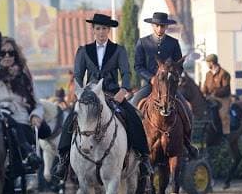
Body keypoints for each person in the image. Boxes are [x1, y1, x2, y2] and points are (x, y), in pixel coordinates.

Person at [54, 13, 152, 180]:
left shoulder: (119, 50)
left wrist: (124, 90)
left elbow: (126, 73)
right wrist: (80, 92)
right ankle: (63, 159)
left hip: (113, 93)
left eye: (104, 29)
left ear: (109, 30)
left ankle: (143, 159)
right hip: (90, 94)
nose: (101, 32)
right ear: (93, 30)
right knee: (71, 118)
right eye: (98, 28)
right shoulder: (83, 51)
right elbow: (78, 75)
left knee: (133, 117)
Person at [131, 12, 198, 157]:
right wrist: (151, 78)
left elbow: (180, 65)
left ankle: (187, 143)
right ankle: (131, 143)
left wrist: (173, 76)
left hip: (169, 86)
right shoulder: (143, 43)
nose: (160, 28)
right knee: (133, 104)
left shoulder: (173, 43)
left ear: (166, 27)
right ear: (153, 26)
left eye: (163, 26)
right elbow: (138, 66)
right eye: (157, 26)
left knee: (185, 107)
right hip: (150, 84)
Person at [0, 37, 48, 170]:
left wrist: (36, 116)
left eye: (11, 53)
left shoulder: (25, 76)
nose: (7, 56)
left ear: (16, 55)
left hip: (23, 121)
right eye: (2, 53)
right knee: (6, 122)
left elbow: (38, 104)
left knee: (12, 126)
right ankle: (28, 152)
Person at [201, 54, 232, 137]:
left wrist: (214, 93)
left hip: (223, 98)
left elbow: (226, 89)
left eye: (207, 63)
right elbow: (205, 86)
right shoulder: (208, 74)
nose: (207, 65)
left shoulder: (224, 73)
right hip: (210, 98)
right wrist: (202, 93)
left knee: (223, 115)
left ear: (212, 63)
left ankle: (226, 134)